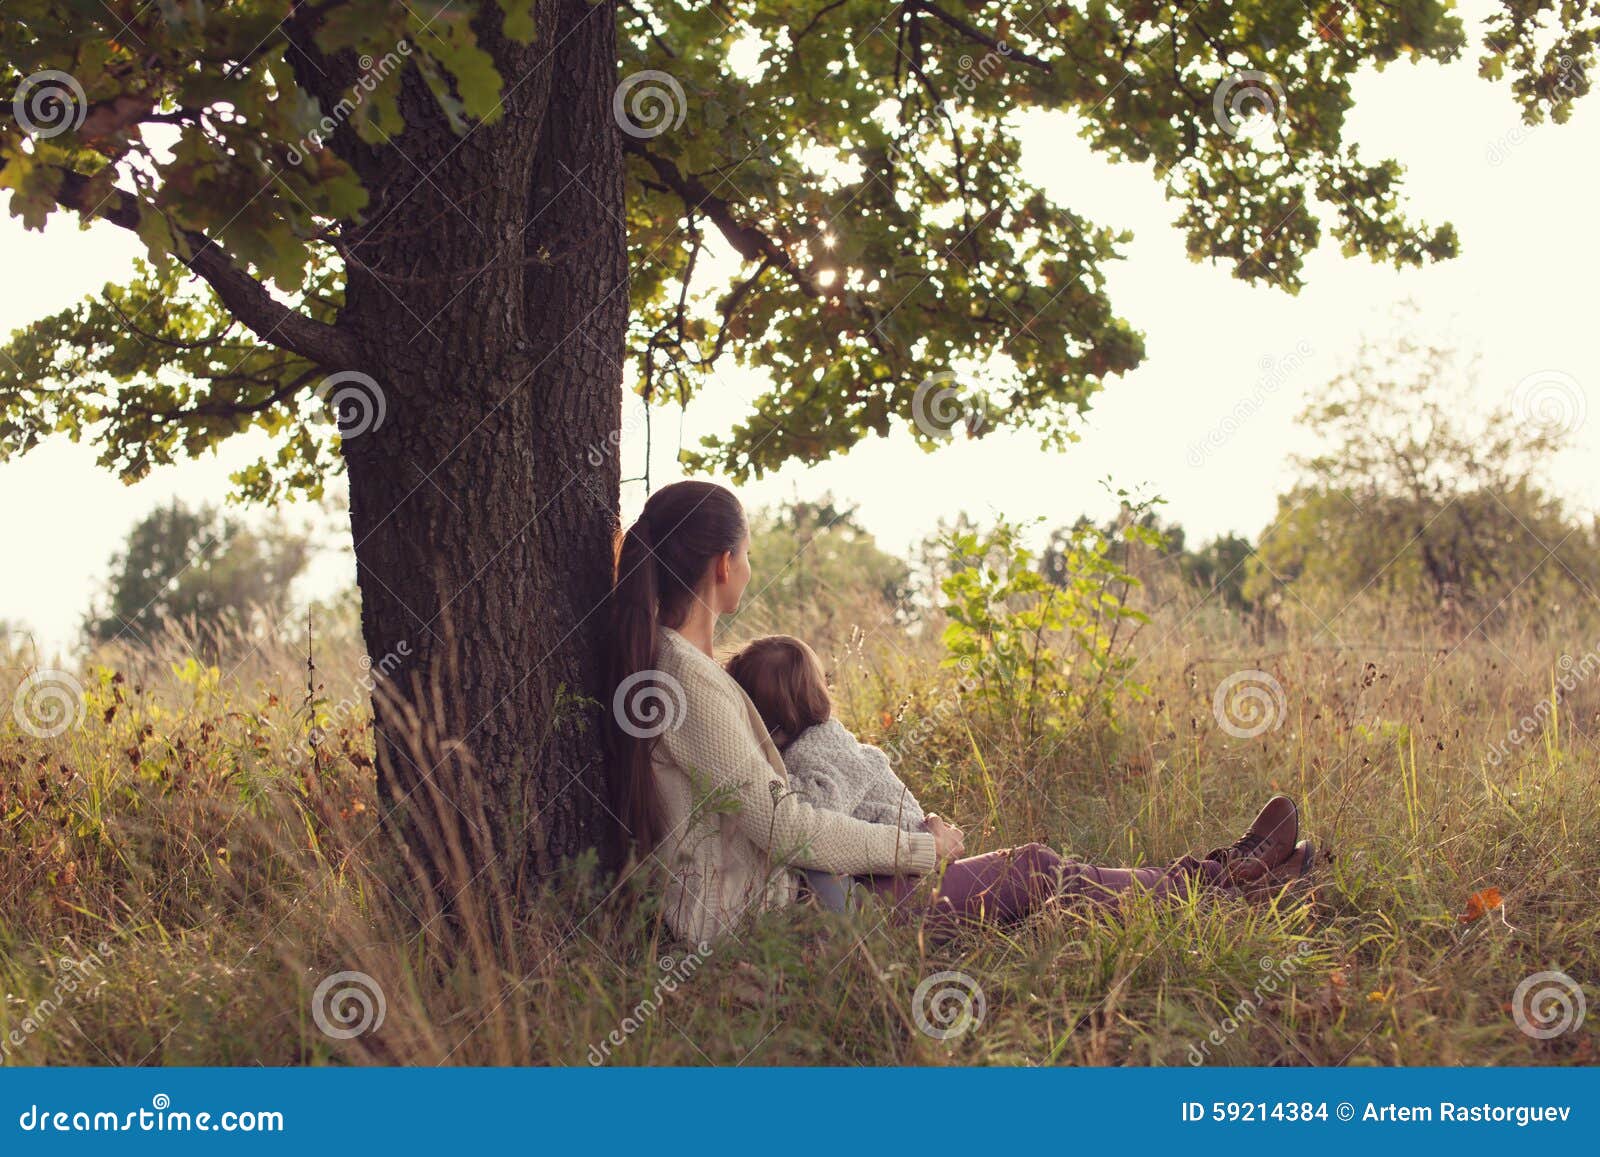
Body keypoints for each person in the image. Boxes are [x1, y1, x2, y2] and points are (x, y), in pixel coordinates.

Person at [607, 479, 1314, 944]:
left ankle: (1228, 874)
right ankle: (1224, 886)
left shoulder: (684, 669)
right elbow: (784, 827)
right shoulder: (688, 681)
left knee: (1026, 869)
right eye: (751, 555)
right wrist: (920, 848)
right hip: (788, 923)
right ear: (725, 565)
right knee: (1033, 869)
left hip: (804, 896)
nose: (751, 568)